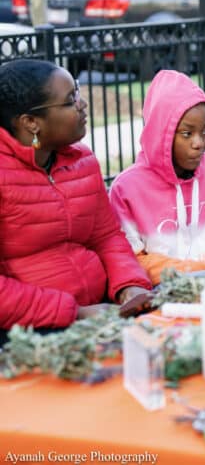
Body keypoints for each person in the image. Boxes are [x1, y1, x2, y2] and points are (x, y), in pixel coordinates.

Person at [0, 60, 151, 337]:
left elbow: (105, 236)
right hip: (28, 332)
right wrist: (74, 313)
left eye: (77, 93)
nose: (82, 104)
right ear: (31, 122)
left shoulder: (82, 161)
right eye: (70, 100)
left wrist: (129, 284)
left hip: (102, 310)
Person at [109, 70, 205, 284]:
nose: (199, 142)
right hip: (160, 291)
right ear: (160, 134)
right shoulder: (126, 188)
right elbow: (133, 260)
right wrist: (202, 269)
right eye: (187, 133)